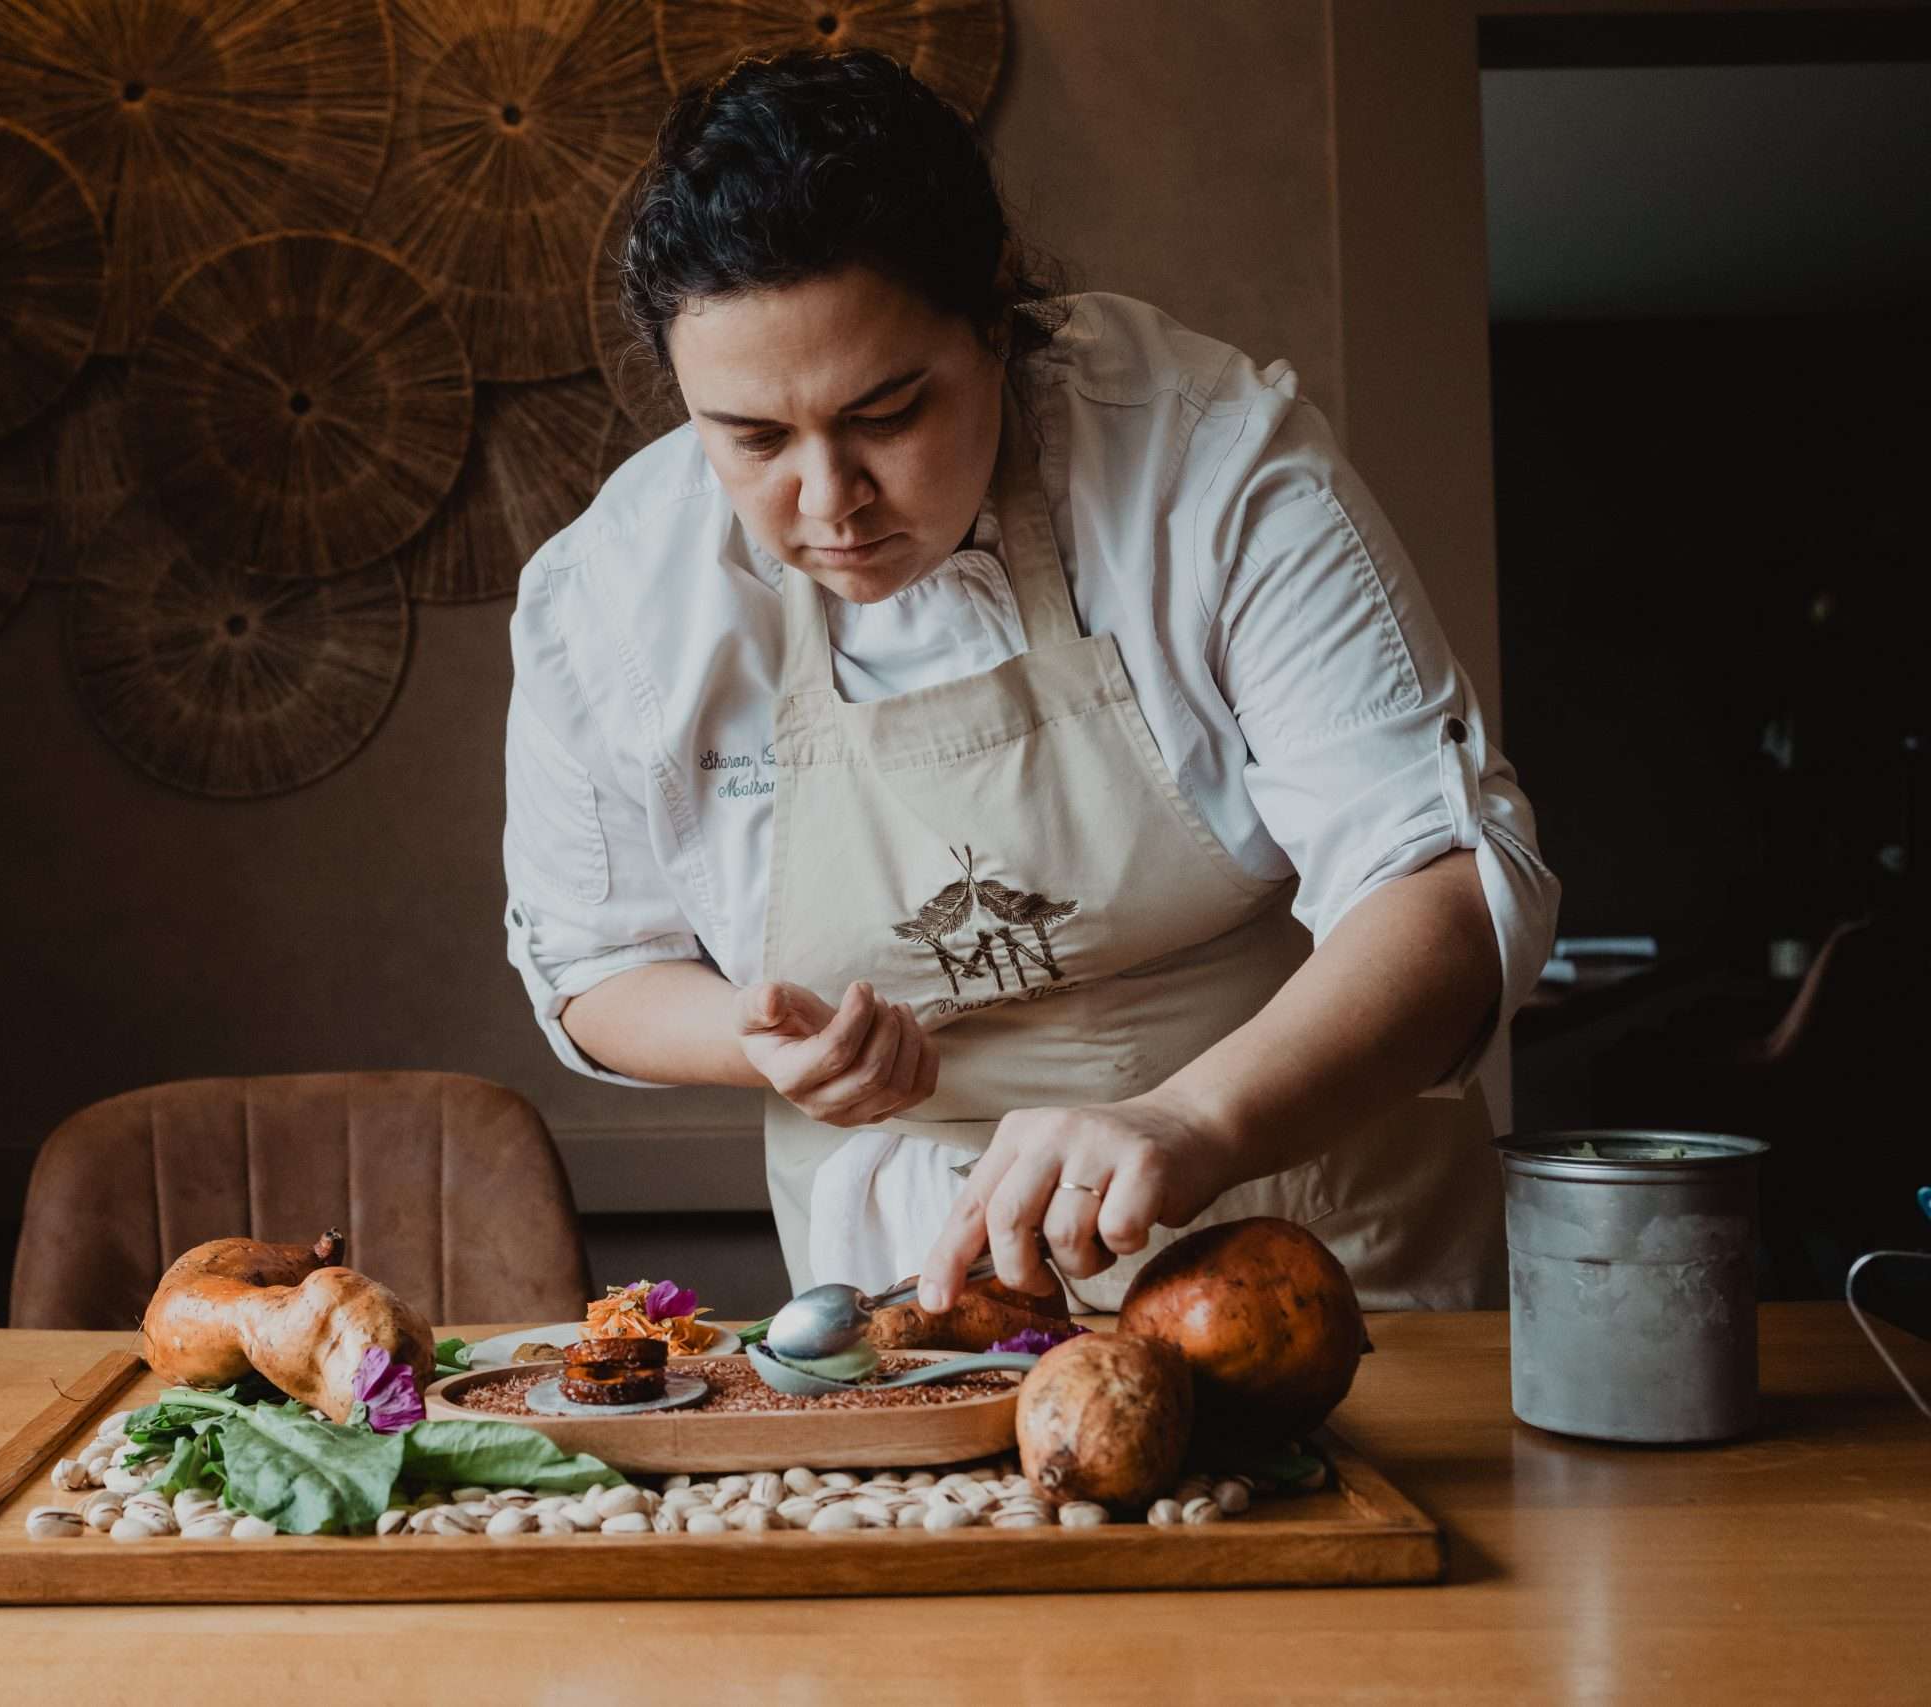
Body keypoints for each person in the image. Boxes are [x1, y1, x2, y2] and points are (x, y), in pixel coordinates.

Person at [501, 51, 1559, 1315]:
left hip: (1307, 1241)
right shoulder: (612, 596)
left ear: (996, 320)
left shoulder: (1208, 466)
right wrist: (760, 1040)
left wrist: (1191, 1120)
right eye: (754, 439)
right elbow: (595, 966)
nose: (829, 501)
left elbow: (1438, 893)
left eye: (888, 414)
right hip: (913, 1293)